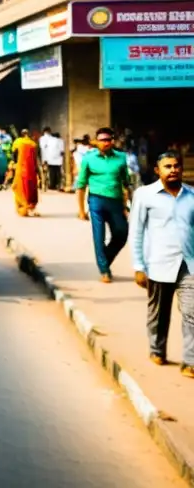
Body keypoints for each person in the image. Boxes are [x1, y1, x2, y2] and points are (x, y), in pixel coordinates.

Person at [130, 151, 194, 378]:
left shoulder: (192, 195)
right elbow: (136, 232)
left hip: (188, 264)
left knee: (191, 312)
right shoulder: (145, 195)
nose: (173, 169)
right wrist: (138, 266)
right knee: (159, 312)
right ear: (158, 170)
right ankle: (157, 349)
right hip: (158, 262)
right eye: (168, 166)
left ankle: (190, 361)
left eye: (177, 165)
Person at [77, 126, 131, 283]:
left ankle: (105, 259)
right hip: (96, 201)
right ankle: (104, 270)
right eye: (102, 140)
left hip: (115, 201)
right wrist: (81, 210)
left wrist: (127, 204)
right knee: (98, 236)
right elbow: (81, 185)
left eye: (108, 140)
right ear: (96, 142)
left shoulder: (121, 157)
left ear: (112, 141)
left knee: (122, 233)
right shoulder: (88, 158)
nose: (105, 143)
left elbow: (126, 182)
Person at [12, 129, 40, 217]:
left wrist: (13, 164)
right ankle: (29, 207)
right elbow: (36, 158)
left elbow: (14, 155)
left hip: (21, 168)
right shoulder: (33, 144)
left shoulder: (17, 142)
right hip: (31, 169)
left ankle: (22, 206)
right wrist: (37, 171)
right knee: (30, 187)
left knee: (20, 187)